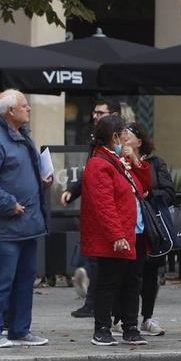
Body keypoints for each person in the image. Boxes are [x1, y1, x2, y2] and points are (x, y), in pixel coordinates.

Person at [0, 89, 49, 348]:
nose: (29, 109)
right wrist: (7, 203)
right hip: (5, 225)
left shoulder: (23, 136)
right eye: (25, 105)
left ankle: (19, 330)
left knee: (25, 281)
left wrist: (40, 181)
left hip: (27, 224)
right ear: (10, 111)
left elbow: (18, 173)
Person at [80, 115, 152, 347]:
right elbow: (104, 204)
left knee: (132, 282)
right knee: (109, 283)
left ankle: (130, 326)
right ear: (114, 137)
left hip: (133, 233)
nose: (126, 139)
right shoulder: (99, 164)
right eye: (123, 135)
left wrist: (136, 162)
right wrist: (117, 235)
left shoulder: (117, 161)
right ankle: (101, 328)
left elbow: (142, 188)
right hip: (116, 236)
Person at [113, 122, 174, 337]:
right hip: (127, 223)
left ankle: (146, 316)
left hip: (150, 224)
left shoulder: (155, 163)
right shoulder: (116, 160)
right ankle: (121, 317)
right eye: (122, 135)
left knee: (149, 273)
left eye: (128, 135)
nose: (124, 139)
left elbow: (168, 191)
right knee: (126, 273)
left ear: (139, 142)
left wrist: (149, 195)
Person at [64, 99, 122, 319]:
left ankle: (99, 301)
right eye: (94, 112)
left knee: (101, 259)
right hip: (95, 208)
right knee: (94, 254)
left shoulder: (122, 143)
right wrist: (74, 190)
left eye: (101, 113)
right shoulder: (95, 144)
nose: (95, 116)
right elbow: (91, 173)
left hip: (113, 210)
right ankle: (92, 300)